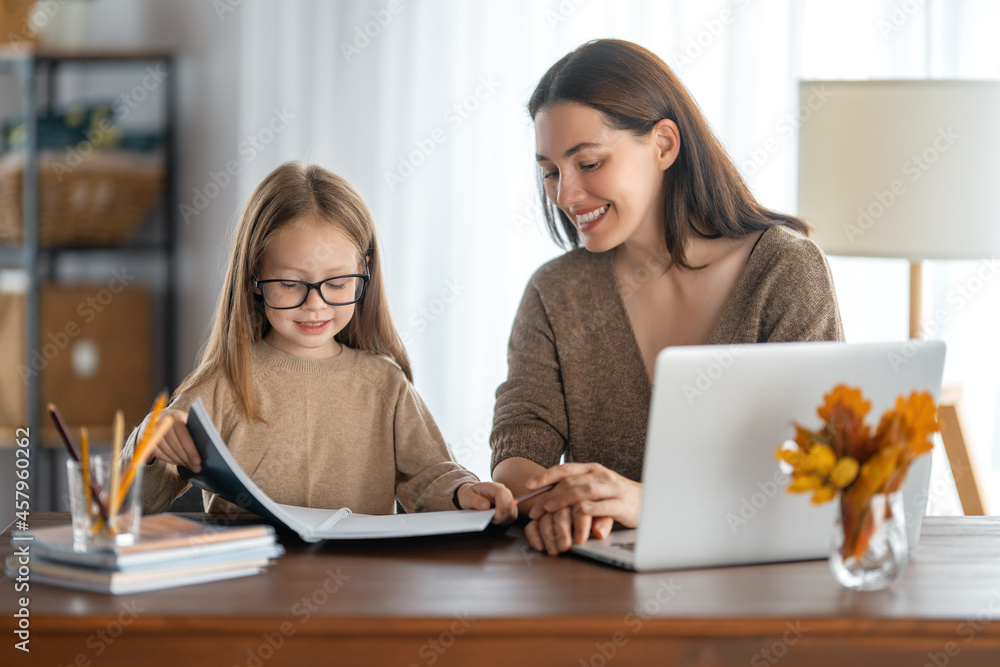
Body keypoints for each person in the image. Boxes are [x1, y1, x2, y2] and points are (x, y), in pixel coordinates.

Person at [491, 39, 844, 554]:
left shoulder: (784, 271)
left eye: (587, 163)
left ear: (663, 145)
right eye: (550, 172)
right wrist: (554, 502)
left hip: (756, 586)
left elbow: (816, 475)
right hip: (599, 593)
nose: (565, 195)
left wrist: (649, 504)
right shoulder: (556, 292)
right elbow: (522, 444)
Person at [125, 162, 516, 523]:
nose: (315, 305)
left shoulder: (385, 385)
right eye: (291, 284)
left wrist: (466, 491)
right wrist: (148, 443)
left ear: (364, 271)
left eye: (338, 283)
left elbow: (431, 477)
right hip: (250, 587)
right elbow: (132, 504)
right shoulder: (223, 385)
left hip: (359, 586)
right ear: (254, 277)